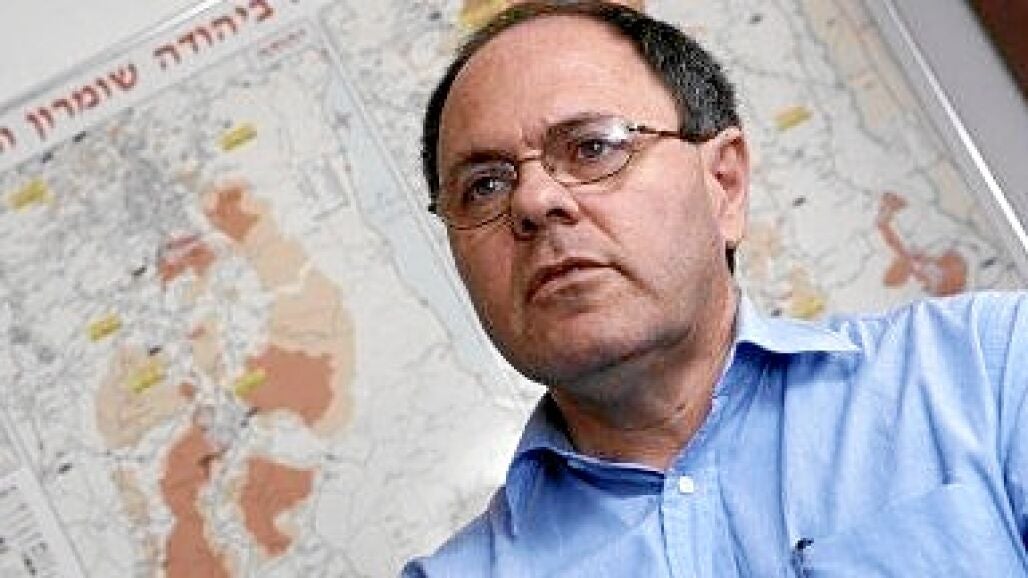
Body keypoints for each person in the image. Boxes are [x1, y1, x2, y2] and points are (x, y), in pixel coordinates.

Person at [404, 1, 1028, 575]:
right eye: (484, 186)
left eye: (593, 147)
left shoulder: (987, 371)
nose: (534, 201)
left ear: (724, 184)